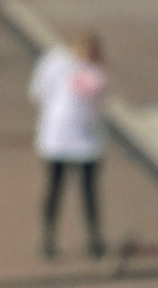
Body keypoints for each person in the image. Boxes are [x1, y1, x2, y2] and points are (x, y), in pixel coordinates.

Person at [31, 30, 107, 261]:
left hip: (86, 142)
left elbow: (97, 97)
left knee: (89, 194)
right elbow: (38, 92)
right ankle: (48, 239)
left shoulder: (96, 72)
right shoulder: (56, 61)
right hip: (57, 140)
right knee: (55, 190)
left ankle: (94, 240)